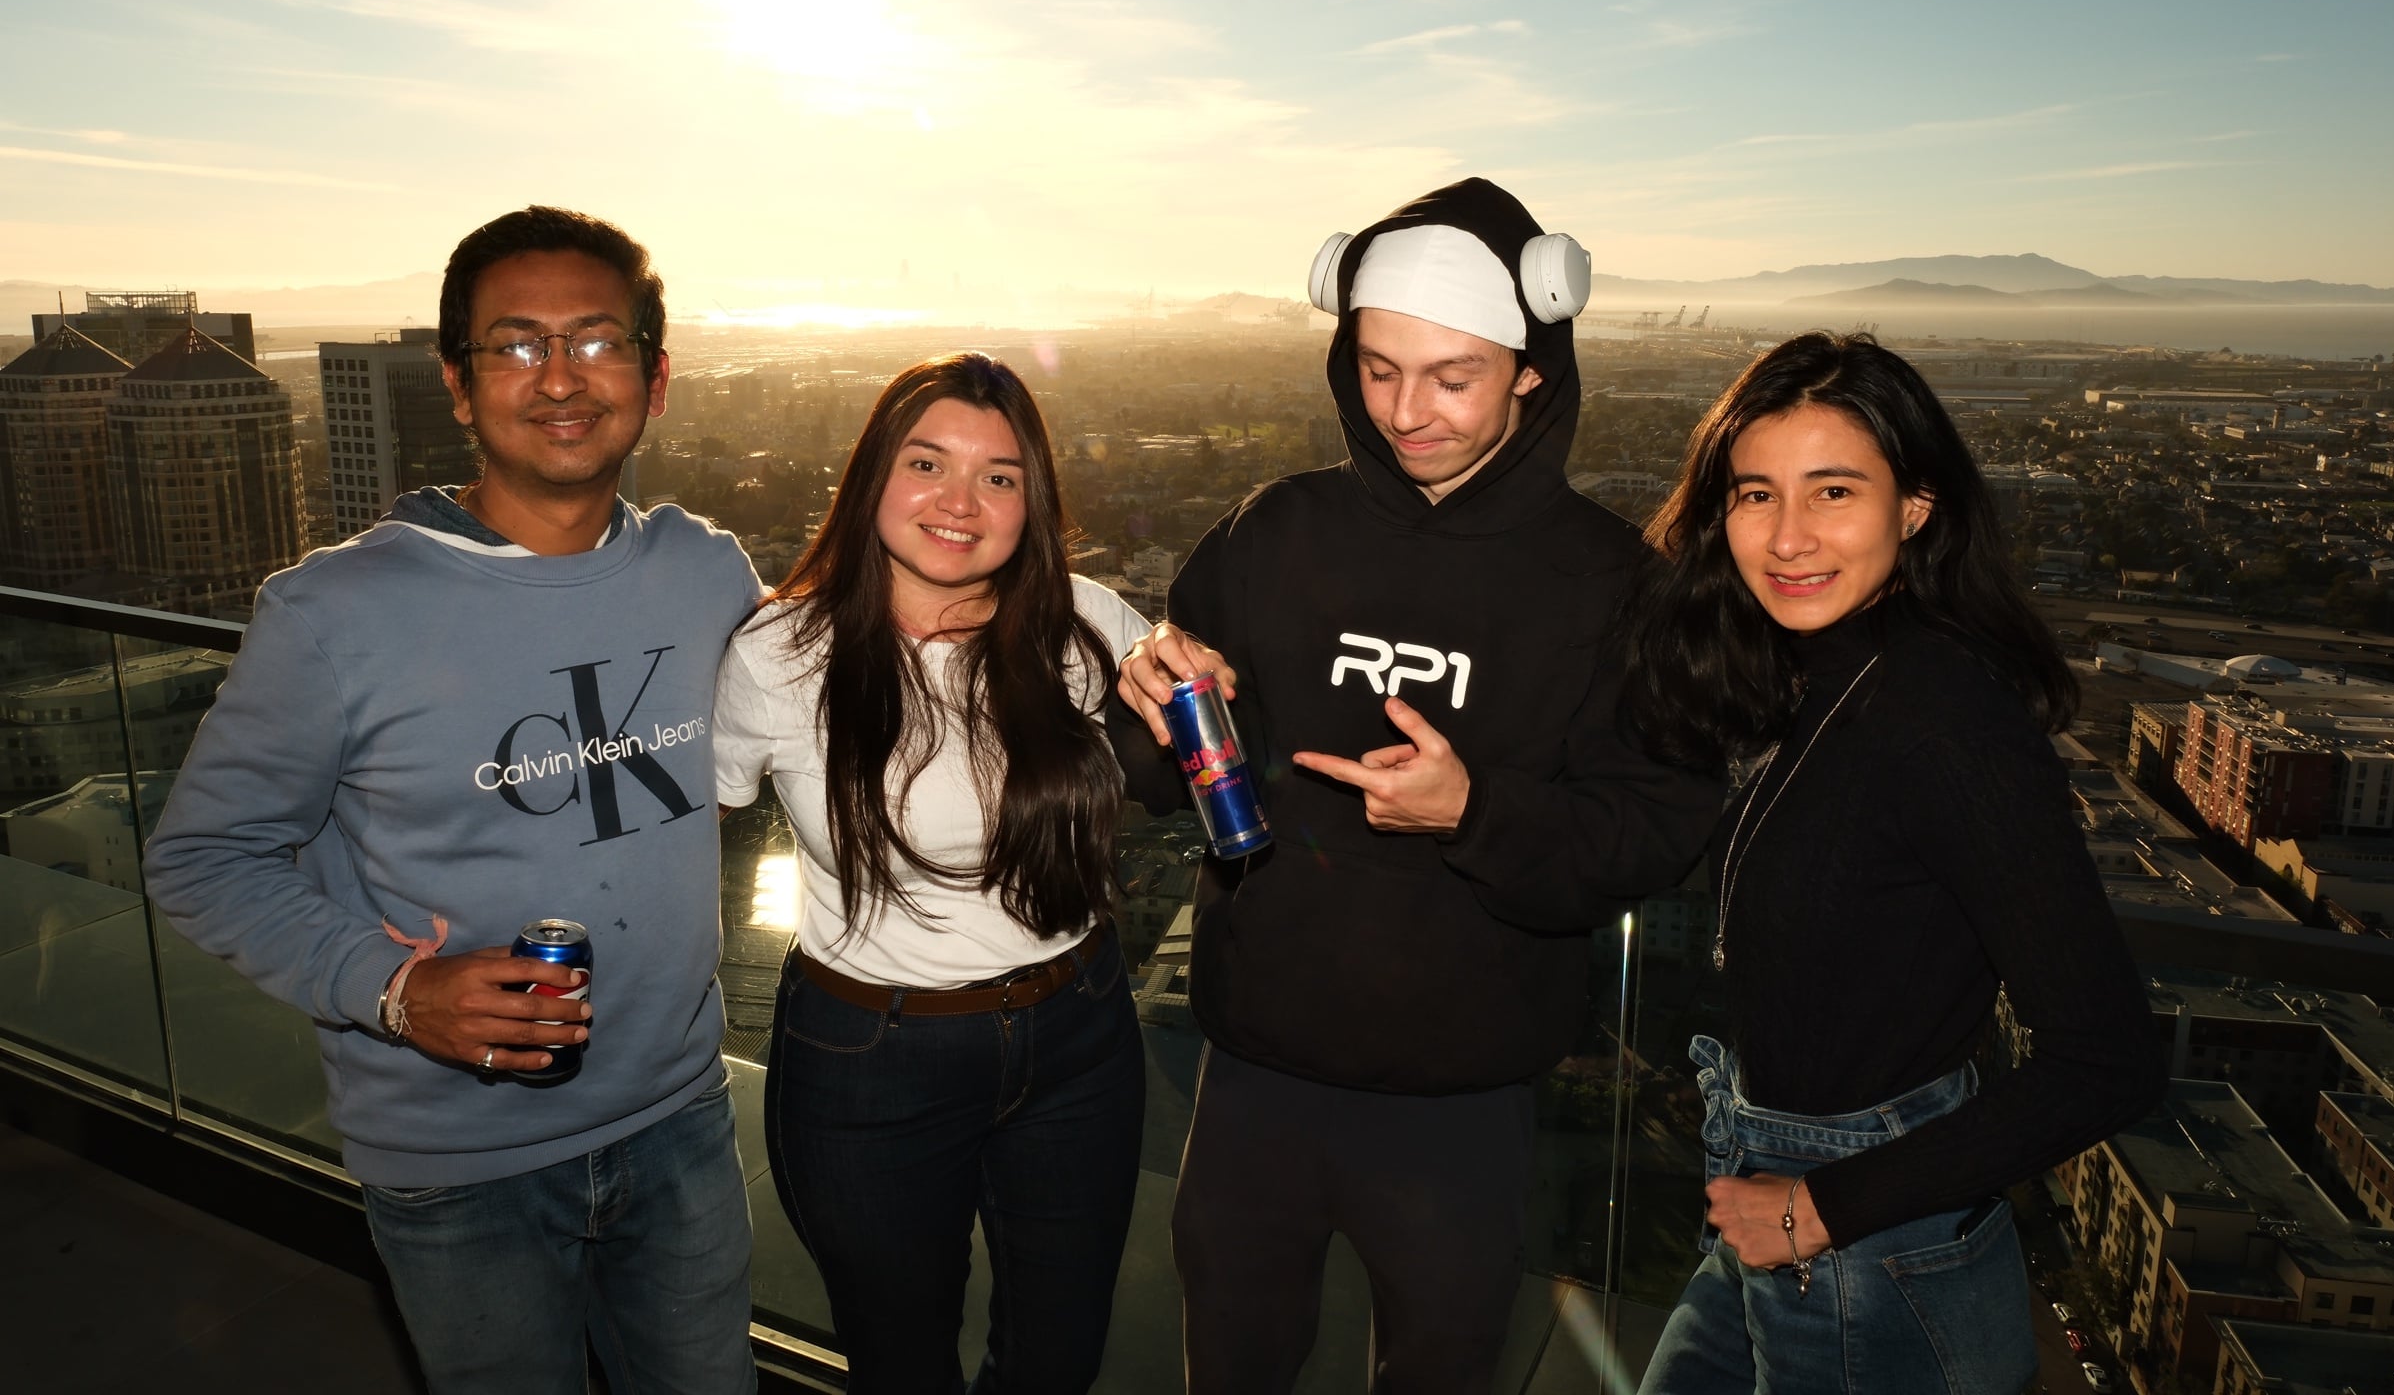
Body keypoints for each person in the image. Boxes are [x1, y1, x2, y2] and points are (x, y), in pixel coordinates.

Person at [1112, 178, 1724, 1394]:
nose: (1406, 411)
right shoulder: (1273, 529)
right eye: (1379, 368)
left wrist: (1473, 813)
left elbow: (1660, 828)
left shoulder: (1612, 585)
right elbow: (1152, 775)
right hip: (1251, 1080)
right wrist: (1144, 696)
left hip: (1461, 1108)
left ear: (1531, 369)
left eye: (1451, 375)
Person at [143, 207, 764, 1395]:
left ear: (658, 375)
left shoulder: (707, 573)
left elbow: (861, 680)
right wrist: (395, 989)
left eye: (599, 339)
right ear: (458, 384)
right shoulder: (335, 613)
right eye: (516, 344)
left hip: (682, 1117)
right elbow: (204, 858)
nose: (563, 377)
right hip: (453, 1154)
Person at [1621, 332, 2165, 1394]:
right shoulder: (1812, 676)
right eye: (1753, 494)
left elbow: (2110, 1058)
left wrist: (1818, 1208)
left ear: (1914, 508)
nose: (1786, 537)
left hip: (1871, 1244)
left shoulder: (1946, 724)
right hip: (1773, 1202)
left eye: (1833, 491)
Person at [713, 353, 1152, 1395]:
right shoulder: (779, 653)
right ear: (872, 477)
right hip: (874, 1054)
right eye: (927, 463)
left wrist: (1211, 686)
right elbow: (693, 825)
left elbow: (1215, 760)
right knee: (901, 1359)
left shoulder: (1087, 623)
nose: (961, 501)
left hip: (1080, 1033)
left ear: (1031, 502)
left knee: (1059, 1356)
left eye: (1000, 476)